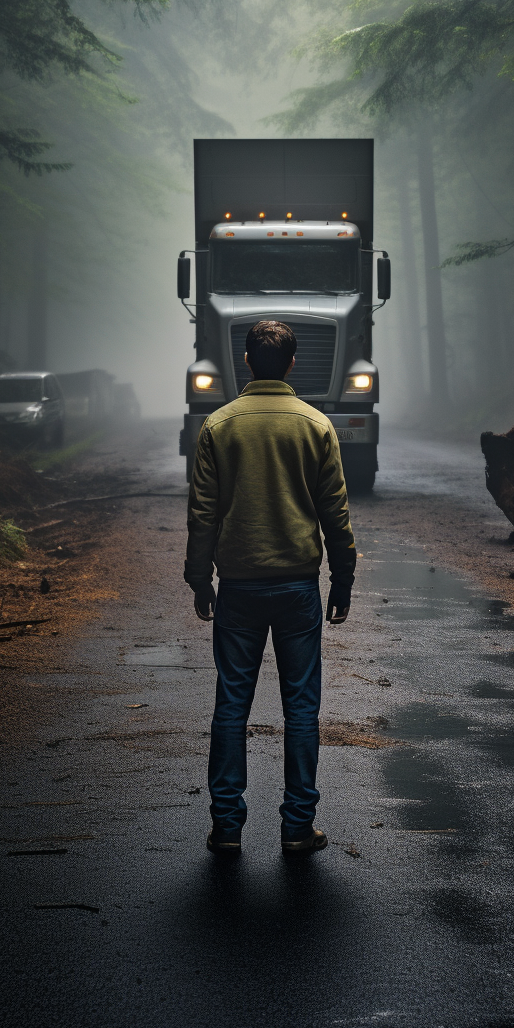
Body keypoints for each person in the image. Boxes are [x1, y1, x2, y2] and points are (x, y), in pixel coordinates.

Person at [184, 318, 357, 856]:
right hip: (298, 588)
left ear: (245, 363)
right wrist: (343, 577)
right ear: (290, 364)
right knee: (301, 707)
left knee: (231, 705)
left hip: (239, 587)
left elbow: (203, 513)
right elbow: (335, 512)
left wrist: (199, 578)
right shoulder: (315, 425)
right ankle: (298, 826)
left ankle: (227, 827)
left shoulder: (218, 426)